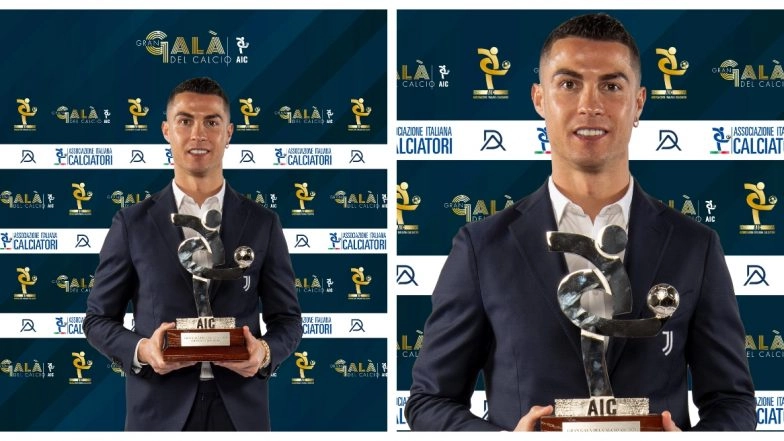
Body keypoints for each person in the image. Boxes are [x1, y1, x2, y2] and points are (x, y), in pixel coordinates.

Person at [405, 13, 755, 431]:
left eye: (611, 85)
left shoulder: (694, 246)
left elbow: (732, 401)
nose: (590, 105)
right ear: (539, 99)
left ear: (638, 102)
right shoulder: (482, 246)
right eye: (569, 84)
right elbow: (430, 401)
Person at [84, 77, 303, 431]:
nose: (198, 134)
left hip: (240, 413)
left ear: (229, 132)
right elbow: (97, 320)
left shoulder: (263, 223)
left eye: (211, 122)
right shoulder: (132, 223)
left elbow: (288, 321)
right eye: (185, 121)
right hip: (157, 413)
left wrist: (263, 354)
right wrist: (144, 350)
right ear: (167, 130)